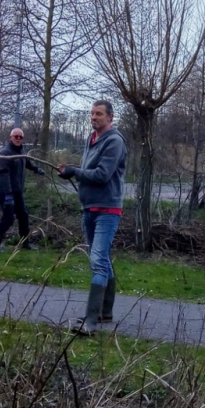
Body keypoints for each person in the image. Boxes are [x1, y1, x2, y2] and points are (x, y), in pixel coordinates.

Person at [58, 100, 128, 335]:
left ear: (110, 117)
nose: (94, 117)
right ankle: (104, 312)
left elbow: (102, 174)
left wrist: (75, 172)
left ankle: (90, 322)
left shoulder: (114, 142)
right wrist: (71, 169)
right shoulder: (92, 139)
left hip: (108, 210)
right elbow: (88, 168)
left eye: (99, 114)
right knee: (102, 259)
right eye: (92, 113)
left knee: (98, 260)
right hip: (90, 208)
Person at [0, 127, 44, 253]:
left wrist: (36, 169)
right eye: (16, 136)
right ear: (10, 137)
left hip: (17, 191)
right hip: (5, 192)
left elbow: (27, 163)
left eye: (20, 137)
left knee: (23, 216)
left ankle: (25, 243)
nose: (18, 139)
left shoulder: (21, 151)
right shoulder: (5, 153)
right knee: (9, 218)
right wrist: (8, 195)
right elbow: (3, 174)